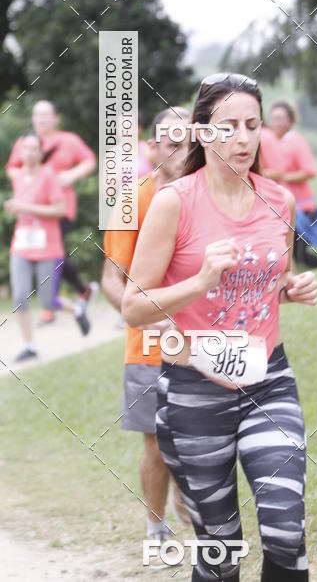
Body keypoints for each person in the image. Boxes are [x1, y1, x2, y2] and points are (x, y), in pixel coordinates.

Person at [122, 73, 317, 581]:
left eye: (252, 125)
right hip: (193, 388)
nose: (243, 138)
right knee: (220, 549)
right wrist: (201, 280)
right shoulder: (174, 202)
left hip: (268, 378)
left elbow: (269, 279)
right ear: (202, 132)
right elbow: (134, 306)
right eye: (228, 126)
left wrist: (291, 288)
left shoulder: (279, 200)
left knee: (286, 527)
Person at [102, 107, 192, 560]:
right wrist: (146, 318)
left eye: (190, 143)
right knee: (156, 443)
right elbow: (110, 279)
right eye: (172, 144)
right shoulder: (131, 200)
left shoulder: (209, 195)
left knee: (200, 437)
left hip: (201, 343)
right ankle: (156, 529)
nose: (182, 153)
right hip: (148, 343)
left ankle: (188, 499)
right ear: (152, 148)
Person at [6, 100, 97, 325]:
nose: (41, 120)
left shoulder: (69, 140)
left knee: (52, 253)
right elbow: (12, 168)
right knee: (54, 255)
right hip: (29, 213)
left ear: (56, 118)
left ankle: (50, 305)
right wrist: (28, 177)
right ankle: (81, 290)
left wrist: (71, 175)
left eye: (46, 115)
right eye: (37, 115)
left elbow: (89, 161)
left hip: (59, 208)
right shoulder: (25, 142)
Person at [4, 134, 87, 361]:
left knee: (48, 301)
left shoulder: (50, 176)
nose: (29, 153)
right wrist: (15, 207)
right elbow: (21, 205)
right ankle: (29, 346)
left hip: (47, 247)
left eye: (34, 149)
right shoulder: (18, 177)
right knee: (20, 296)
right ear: (20, 153)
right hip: (22, 245)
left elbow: (59, 210)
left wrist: (25, 207)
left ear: (41, 153)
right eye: (25, 148)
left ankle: (78, 310)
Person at [267, 100, 317, 267]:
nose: (276, 123)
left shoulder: (296, 140)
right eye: (273, 119)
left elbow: (310, 171)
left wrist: (282, 176)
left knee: (298, 253)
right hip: (279, 207)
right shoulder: (269, 141)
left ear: (290, 121)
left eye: (280, 119)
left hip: (302, 208)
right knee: (287, 251)